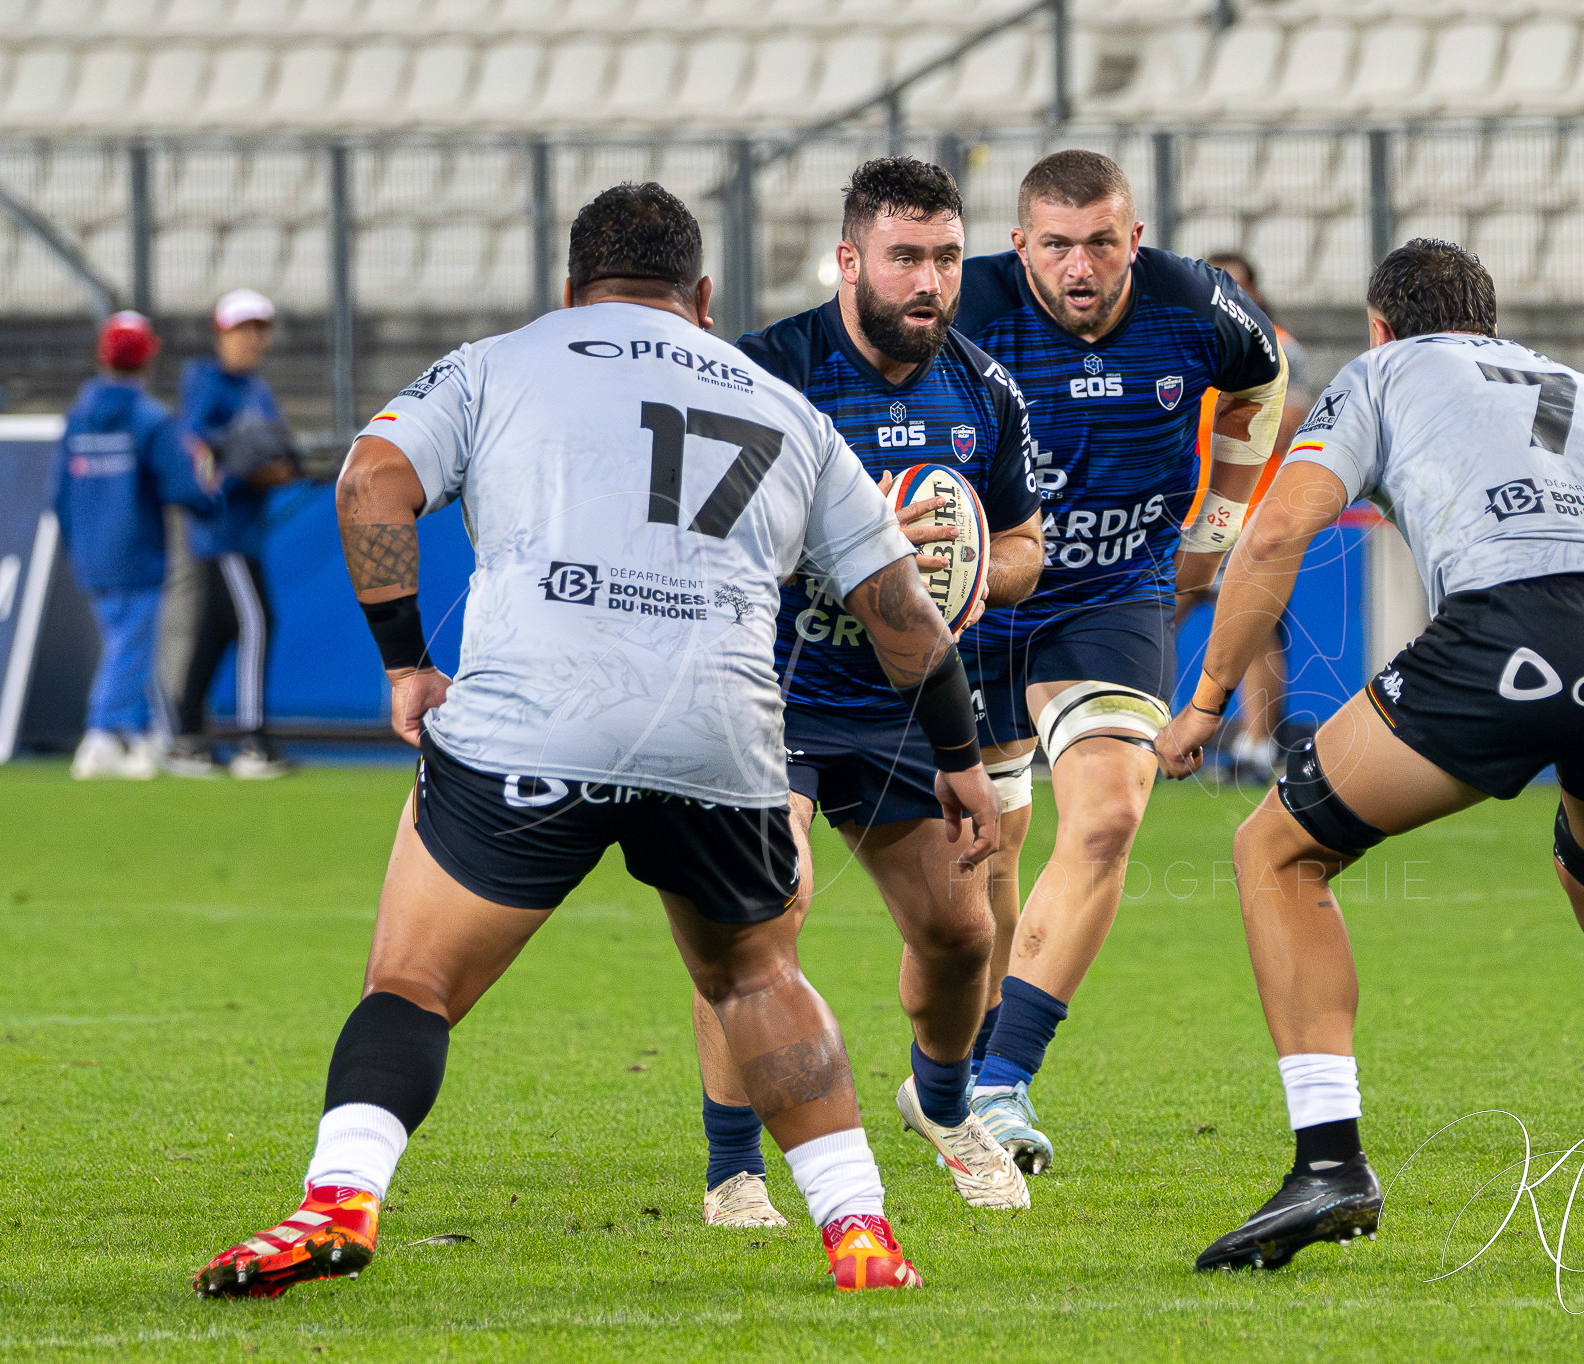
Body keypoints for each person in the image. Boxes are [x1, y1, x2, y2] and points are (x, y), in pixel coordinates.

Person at [193, 183, 998, 1299]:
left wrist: (402, 660)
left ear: (570, 288)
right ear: (702, 298)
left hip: (536, 713)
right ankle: (859, 1227)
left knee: (414, 977)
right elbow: (902, 610)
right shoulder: (784, 407)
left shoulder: (500, 360)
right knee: (756, 975)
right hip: (718, 735)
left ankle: (337, 1195)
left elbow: (370, 481)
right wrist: (959, 760)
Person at [1157, 239, 1584, 1272]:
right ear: (1490, 319)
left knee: (1277, 849)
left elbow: (1269, 539)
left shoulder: (1380, 373)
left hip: (1519, 627)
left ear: (1381, 323)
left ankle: (1328, 1161)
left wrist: (1203, 702)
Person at [691, 157, 1044, 1227]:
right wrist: (854, 550)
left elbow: (1025, 541)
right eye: (904, 258)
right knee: (763, 911)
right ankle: (734, 1168)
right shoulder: (765, 372)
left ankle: (939, 1108)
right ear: (849, 260)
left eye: (944, 257)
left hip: (908, 706)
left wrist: (971, 569)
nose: (929, 280)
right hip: (777, 693)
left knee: (960, 933)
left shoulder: (983, 389)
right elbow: (703, 533)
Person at [952, 150, 1293, 1173]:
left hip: (1112, 595)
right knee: (987, 854)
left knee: (1104, 812)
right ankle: (963, 1066)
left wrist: (1221, 519)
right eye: (1054, 244)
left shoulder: (1197, 306)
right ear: (1020, 246)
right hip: (976, 608)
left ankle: (1003, 1084)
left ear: (1132, 239)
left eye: (1101, 241)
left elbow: (1256, 380)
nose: (1079, 265)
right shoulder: (961, 306)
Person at [52, 311, 219, 780]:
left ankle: (144, 739)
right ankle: (101, 734)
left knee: (126, 643)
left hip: (91, 551)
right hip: (138, 549)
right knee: (129, 646)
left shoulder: (78, 415)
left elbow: (58, 495)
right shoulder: (149, 418)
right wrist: (213, 498)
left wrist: (78, 544)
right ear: (145, 359)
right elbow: (181, 484)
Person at [167, 287, 300, 780]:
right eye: (244, 330)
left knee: (215, 633)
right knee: (257, 624)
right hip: (222, 530)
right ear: (221, 334)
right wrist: (244, 470)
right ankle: (252, 741)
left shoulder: (254, 388)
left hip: (245, 529)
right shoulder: (206, 381)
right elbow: (197, 452)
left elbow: (272, 447)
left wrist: (281, 465)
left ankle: (184, 735)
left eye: (259, 331)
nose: (253, 341)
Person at [1198, 250, 1316, 779]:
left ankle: (1256, 744)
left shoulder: (1283, 350)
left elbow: (1287, 428)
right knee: (1154, 617)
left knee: (1256, 629)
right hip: (1183, 513)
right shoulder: (1184, 347)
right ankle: (1131, 730)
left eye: (1238, 288)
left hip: (1250, 513)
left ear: (1257, 294)